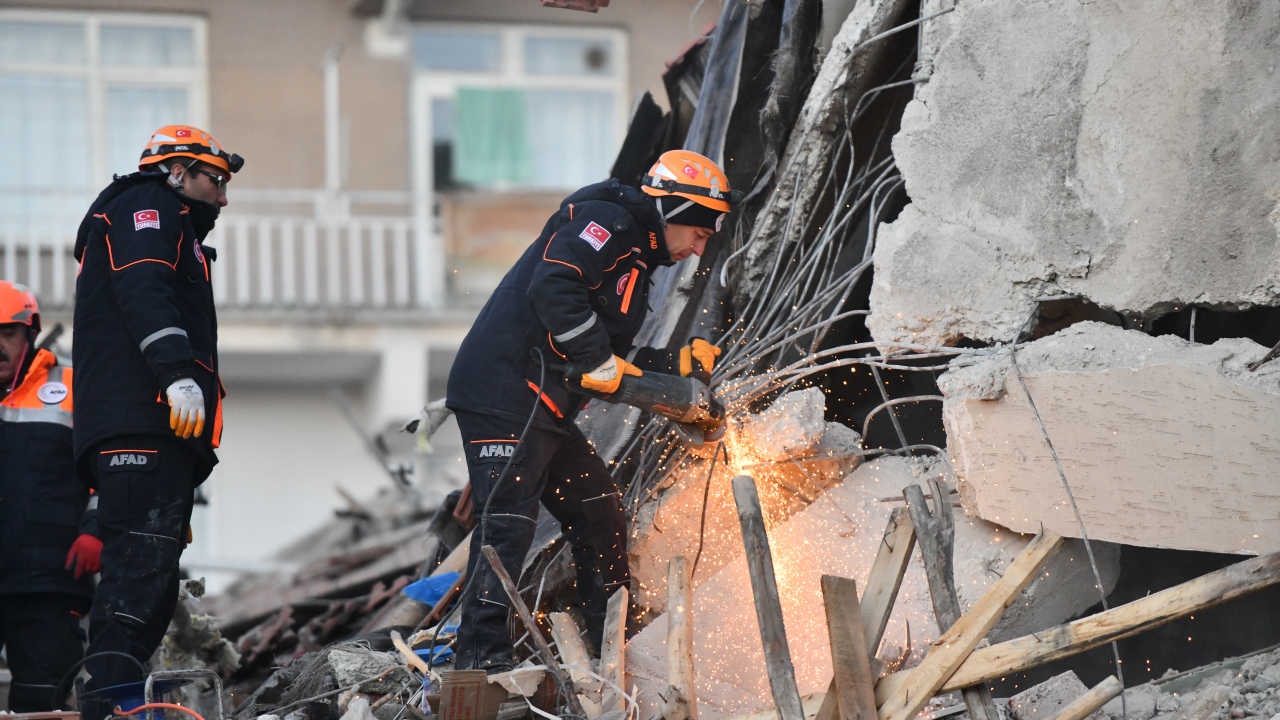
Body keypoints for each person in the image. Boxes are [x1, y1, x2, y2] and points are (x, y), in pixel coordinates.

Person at [446, 149, 736, 672]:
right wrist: (598, 357)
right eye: (699, 233)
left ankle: (608, 658)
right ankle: (477, 671)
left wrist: (676, 363)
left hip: (544, 407)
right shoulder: (608, 221)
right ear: (674, 209)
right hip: (505, 392)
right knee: (507, 527)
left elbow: (606, 356)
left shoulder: (638, 258)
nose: (697, 249)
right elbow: (553, 287)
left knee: (600, 513)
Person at [71, 125, 241, 711]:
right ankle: (111, 708)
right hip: (143, 422)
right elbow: (145, 288)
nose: (222, 196)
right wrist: (175, 373)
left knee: (149, 584)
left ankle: (119, 703)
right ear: (174, 170)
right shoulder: (148, 205)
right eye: (213, 179)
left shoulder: (156, 217)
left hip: (146, 431)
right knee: (135, 585)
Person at [0, 282, 99, 711]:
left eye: (8, 333)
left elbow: (109, 471)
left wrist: (97, 529)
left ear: (30, 335)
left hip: (51, 581)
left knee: (42, 701)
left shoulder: (76, 388)